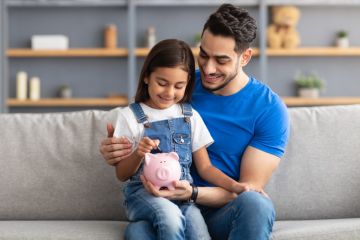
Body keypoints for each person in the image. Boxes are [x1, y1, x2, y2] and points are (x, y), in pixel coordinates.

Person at [100, 4, 289, 240]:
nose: (208, 68)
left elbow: (244, 191)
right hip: (163, 204)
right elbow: (141, 118)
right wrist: (117, 150)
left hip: (220, 212)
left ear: (245, 57)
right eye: (204, 55)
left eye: (221, 60)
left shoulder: (269, 109)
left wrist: (191, 193)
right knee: (137, 232)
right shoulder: (180, 84)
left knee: (257, 204)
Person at [114, 38, 251, 240]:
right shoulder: (130, 116)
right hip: (143, 195)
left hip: (182, 195)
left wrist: (235, 186)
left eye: (179, 86)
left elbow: (205, 168)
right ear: (146, 77)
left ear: (187, 85)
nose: (169, 92)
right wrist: (138, 153)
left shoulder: (190, 116)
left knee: (199, 233)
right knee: (170, 218)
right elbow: (122, 174)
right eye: (162, 83)